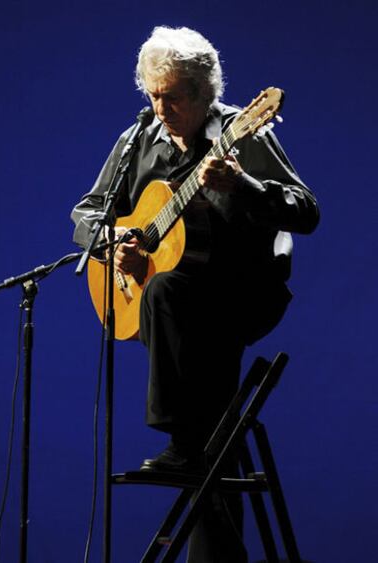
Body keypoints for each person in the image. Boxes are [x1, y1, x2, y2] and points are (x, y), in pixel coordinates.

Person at [71, 26, 319, 563]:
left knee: (166, 287)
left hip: (240, 294)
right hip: (175, 315)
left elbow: (306, 210)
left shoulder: (241, 131)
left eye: (174, 97)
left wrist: (244, 187)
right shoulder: (139, 139)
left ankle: (179, 443)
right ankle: (205, 496)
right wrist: (120, 241)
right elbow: (87, 214)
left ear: (205, 93)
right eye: (154, 96)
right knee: (214, 437)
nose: (162, 108)